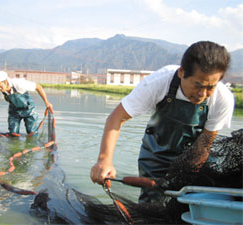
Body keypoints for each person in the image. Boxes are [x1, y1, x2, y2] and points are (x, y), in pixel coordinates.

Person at [90, 41, 234, 202]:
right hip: (155, 155)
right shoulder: (158, 83)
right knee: (150, 204)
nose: (202, 94)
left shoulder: (223, 99)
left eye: (210, 87)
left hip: (193, 157)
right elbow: (116, 118)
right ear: (181, 72)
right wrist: (104, 161)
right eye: (197, 85)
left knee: (185, 204)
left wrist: (184, 177)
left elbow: (204, 144)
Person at [0, 70, 53, 136]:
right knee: (13, 134)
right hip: (14, 111)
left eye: (0, 86)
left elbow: (38, 87)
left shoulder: (19, 83)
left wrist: (46, 102)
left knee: (32, 133)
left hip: (29, 110)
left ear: (5, 81)